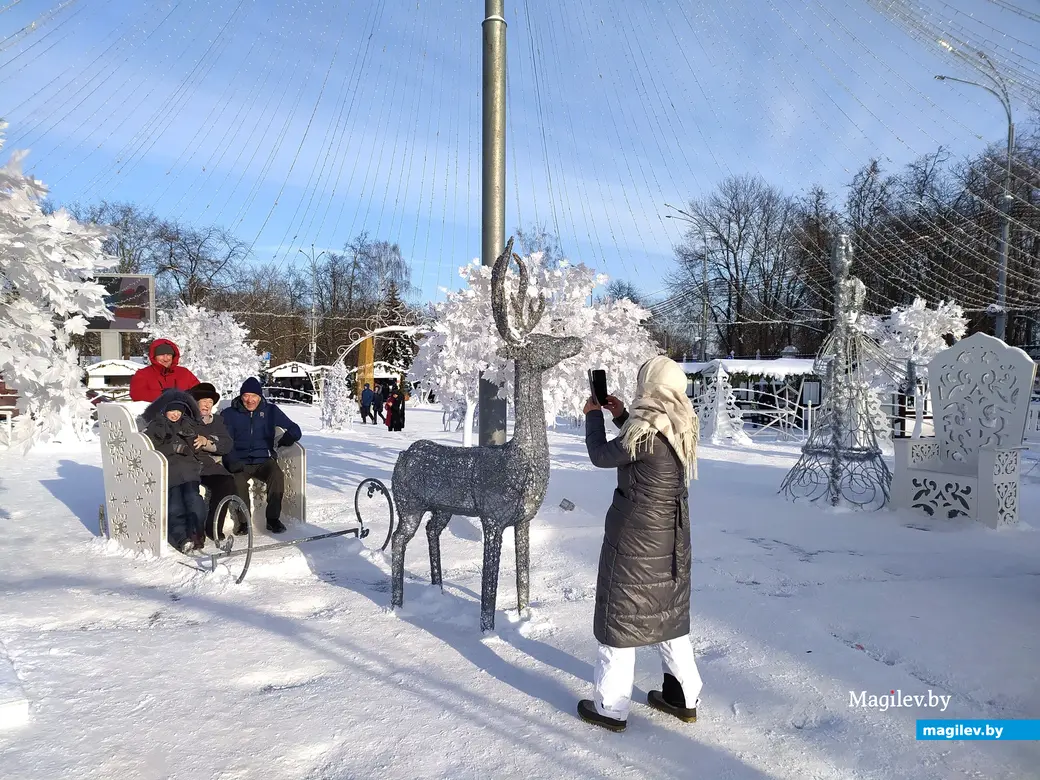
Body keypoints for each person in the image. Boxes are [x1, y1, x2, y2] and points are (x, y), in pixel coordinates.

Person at [577, 356, 703, 733]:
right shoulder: (679, 423)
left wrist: (593, 415)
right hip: (671, 539)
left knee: (622, 617)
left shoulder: (646, 431)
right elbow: (642, 450)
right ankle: (684, 697)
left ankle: (611, 707)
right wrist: (622, 416)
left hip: (634, 541)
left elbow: (602, 455)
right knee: (670, 616)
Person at [220, 377, 302, 534]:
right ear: (241, 396)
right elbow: (225, 441)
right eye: (246, 396)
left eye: (254, 396)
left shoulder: (270, 411)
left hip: (263, 460)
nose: (250, 400)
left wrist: (288, 437)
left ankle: (272, 519)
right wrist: (231, 460)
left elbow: (295, 428)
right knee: (238, 483)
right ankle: (244, 522)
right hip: (239, 461)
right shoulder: (229, 414)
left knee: (277, 475)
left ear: (260, 397)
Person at [142, 389, 207, 553]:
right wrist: (173, 447)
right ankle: (181, 538)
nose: (175, 414)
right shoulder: (155, 427)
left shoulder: (189, 425)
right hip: (168, 472)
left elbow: (197, 447)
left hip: (189, 471)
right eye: (172, 410)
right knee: (175, 505)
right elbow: (149, 449)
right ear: (165, 410)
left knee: (194, 500)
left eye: (179, 411)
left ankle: (196, 534)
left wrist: (198, 443)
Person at [188, 383, 242, 539]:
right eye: (203, 401)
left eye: (210, 402)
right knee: (190, 492)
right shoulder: (186, 419)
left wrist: (207, 442)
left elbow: (226, 445)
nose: (207, 405)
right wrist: (211, 442)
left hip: (210, 467)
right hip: (189, 467)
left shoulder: (217, 421)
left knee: (227, 482)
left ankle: (213, 526)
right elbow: (190, 443)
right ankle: (192, 532)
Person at [129, 339, 200, 402]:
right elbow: (137, 395)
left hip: (183, 414)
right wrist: (164, 394)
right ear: (154, 356)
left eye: (169, 354)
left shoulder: (184, 373)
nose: (166, 359)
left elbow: (199, 392)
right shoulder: (143, 374)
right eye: (161, 355)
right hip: (155, 415)